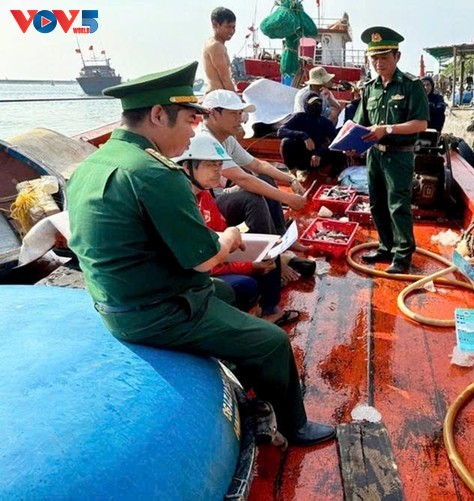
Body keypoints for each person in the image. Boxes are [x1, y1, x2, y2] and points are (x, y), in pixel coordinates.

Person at [66, 61, 335, 447]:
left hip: (116, 301)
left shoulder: (92, 164)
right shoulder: (156, 173)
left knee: (227, 292)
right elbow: (205, 260)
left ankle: (241, 377)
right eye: (190, 121)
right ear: (158, 115)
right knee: (273, 342)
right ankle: (295, 426)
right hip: (159, 311)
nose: (194, 131)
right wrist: (228, 237)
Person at [174, 132, 300, 327]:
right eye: (211, 164)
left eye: (219, 165)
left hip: (213, 260)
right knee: (246, 285)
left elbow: (222, 233)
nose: (218, 171)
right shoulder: (181, 205)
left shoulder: (204, 196)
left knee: (263, 259)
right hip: (191, 278)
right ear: (186, 167)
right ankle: (259, 313)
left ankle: (268, 305)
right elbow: (202, 262)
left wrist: (252, 255)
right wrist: (249, 266)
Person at [198, 89, 315, 281]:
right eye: (233, 113)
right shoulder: (206, 140)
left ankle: (281, 240)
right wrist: (288, 198)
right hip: (206, 206)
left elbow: (257, 165)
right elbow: (242, 179)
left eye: (240, 113)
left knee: (265, 179)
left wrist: (291, 180)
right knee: (252, 199)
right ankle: (272, 261)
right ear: (213, 114)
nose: (240, 119)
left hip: (218, 197)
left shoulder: (226, 138)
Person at [354, 26, 429, 274]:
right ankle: (385, 247)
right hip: (374, 154)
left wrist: (386, 129)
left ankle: (402, 255)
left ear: (397, 56)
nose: (378, 63)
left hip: (399, 154)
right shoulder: (369, 88)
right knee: (376, 203)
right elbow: (361, 123)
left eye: (384, 57)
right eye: (374, 58)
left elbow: (420, 123)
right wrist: (350, 143)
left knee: (398, 204)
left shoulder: (411, 85)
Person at [278, 93, 345, 177]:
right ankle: (292, 173)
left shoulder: (325, 122)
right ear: (306, 104)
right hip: (301, 157)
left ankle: (330, 178)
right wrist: (303, 135)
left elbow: (335, 140)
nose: (316, 106)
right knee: (286, 142)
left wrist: (320, 152)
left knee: (339, 150)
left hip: (317, 159)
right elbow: (281, 131)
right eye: (313, 103)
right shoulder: (299, 117)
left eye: (318, 103)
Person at [202, 7, 237, 93]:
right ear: (215, 24)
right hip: (218, 95)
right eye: (228, 27)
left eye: (233, 27)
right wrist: (236, 97)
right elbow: (225, 79)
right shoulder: (216, 46)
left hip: (217, 94)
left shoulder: (213, 44)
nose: (232, 31)